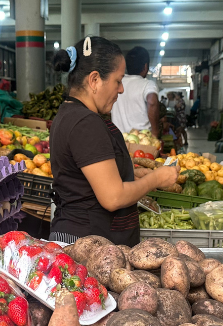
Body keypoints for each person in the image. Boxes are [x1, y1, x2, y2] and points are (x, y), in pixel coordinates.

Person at [48, 37, 179, 246]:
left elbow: (84, 175)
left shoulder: (68, 113)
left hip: (81, 238)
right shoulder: (85, 123)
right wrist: (156, 180)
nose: (121, 90)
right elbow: (113, 198)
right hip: (88, 245)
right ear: (94, 80)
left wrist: (130, 172)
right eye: (118, 81)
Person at [111, 46, 160, 136]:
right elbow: (152, 101)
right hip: (142, 141)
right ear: (145, 66)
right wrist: (155, 131)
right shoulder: (147, 84)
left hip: (118, 141)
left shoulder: (117, 83)